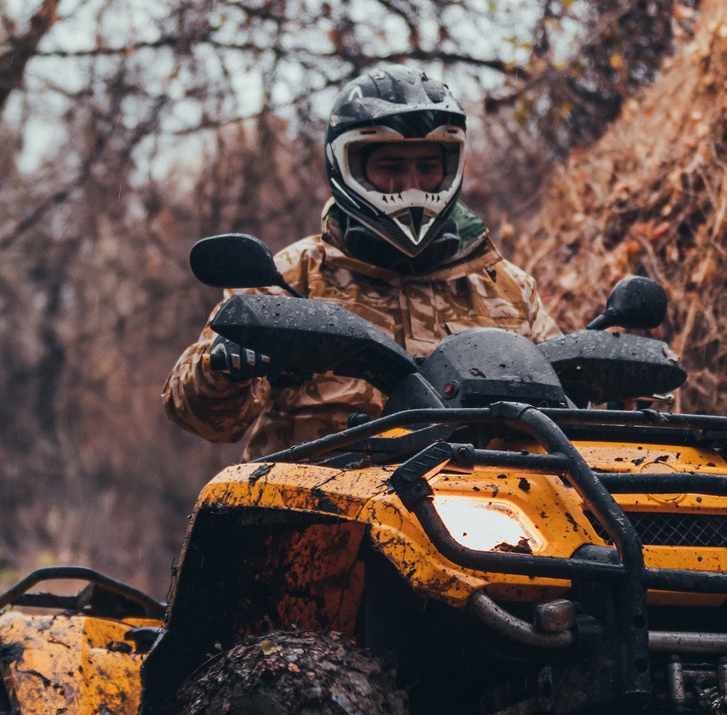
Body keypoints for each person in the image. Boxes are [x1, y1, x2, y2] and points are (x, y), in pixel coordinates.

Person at [163, 65, 560, 457]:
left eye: (427, 166)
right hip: (316, 508)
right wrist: (222, 365)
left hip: (485, 511)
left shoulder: (507, 289)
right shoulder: (290, 278)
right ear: (348, 166)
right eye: (391, 167)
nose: (411, 185)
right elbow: (204, 420)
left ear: (450, 167)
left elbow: (570, 412)